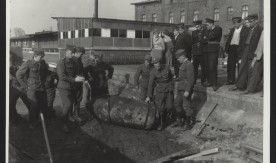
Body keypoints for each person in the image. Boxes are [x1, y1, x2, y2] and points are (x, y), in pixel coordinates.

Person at [230, 14, 263, 93]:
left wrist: (257, 54)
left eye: (251, 21)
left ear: (256, 21)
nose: (250, 23)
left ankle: (249, 89)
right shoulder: (249, 29)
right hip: (246, 49)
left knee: (251, 69)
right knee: (242, 67)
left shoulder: (260, 29)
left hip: (254, 50)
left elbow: (260, 42)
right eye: (249, 21)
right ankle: (239, 85)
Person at [16, 49, 49, 129]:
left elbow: (45, 73)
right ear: (35, 56)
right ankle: (32, 123)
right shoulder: (28, 64)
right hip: (32, 89)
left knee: (44, 104)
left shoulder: (43, 63)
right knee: (34, 106)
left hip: (41, 88)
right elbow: (18, 74)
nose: (42, 58)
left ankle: (41, 120)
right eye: (41, 57)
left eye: (43, 57)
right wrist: (25, 86)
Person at [57, 45, 85, 132]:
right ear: (66, 52)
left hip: (71, 86)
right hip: (63, 87)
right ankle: (64, 124)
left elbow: (74, 73)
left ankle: (69, 117)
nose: (73, 54)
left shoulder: (73, 62)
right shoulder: (61, 62)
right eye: (71, 53)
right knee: (68, 104)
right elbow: (62, 76)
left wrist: (79, 77)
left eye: (74, 53)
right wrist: (74, 79)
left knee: (72, 102)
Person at [145, 57, 173, 131]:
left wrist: (171, 85)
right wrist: (149, 96)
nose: (157, 67)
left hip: (168, 90)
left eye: (158, 66)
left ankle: (166, 118)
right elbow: (150, 85)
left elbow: (171, 77)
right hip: (160, 91)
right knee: (160, 108)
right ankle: (161, 123)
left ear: (161, 64)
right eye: (155, 66)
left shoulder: (166, 68)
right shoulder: (153, 72)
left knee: (169, 106)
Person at [173, 49, 195, 130]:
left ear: (183, 56)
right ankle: (179, 121)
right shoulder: (183, 64)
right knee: (177, 104)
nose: (178, 59)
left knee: (186, 106)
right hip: (180, 88)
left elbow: (191, 79)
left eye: (178, 58)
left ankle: (188, 123)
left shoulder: (189, 65)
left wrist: (188, 90)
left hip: (185, 89)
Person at [224, 17, 249, 85]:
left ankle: (241, 82)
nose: (235, 25)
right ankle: (230, 80)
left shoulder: (245, 29)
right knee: (230, 65)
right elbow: (228, 40)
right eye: (233, 23)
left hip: (240, 48)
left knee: (240, 65)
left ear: (240, 23)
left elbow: (245, 41)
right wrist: (226, 50)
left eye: (236, 23)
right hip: (232, 48)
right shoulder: (232, 30)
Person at [9, 51, 31, 124]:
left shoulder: (22, 65)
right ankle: (14, 119)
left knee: (29, 103)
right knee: (11, 104)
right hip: (15, 87)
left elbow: (24, 76)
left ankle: (32, 118)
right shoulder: (10, 67)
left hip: (22, 87)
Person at [202, 18, 222, 91]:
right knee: (207, 67)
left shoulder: (218, 29)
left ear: (211, 24)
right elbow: (202, 39)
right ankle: (209, 81)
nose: (206, 26)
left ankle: (214, 83)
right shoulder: (206, 30)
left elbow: (212, 36)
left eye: (207, 25)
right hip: (206, 50)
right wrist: (206, 38)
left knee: (212, 67)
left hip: (213, 50)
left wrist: (206, 37)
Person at [71, 46, 86, 123]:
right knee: (71, 100)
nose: (81, 55)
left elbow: (81, 71)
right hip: (73, 83)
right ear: (77, 53)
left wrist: (83, 77)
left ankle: (76, 115)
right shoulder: (71, 61)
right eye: (81, 54)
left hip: (79, 83)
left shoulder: (79, 61)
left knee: (78, 99)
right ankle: (70, 115)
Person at [191, 20, 208, 85]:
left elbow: (206, 41)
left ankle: (203, 81)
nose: (197, 27)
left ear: (201, 25)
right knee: (195, 68)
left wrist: (201, 42)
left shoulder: (206, 32)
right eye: (196, 26)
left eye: (198, 26)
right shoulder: (194, 32)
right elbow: (192, 42)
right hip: (195, 53)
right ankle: (194, 80)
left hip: (203, 52)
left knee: (203, 67)